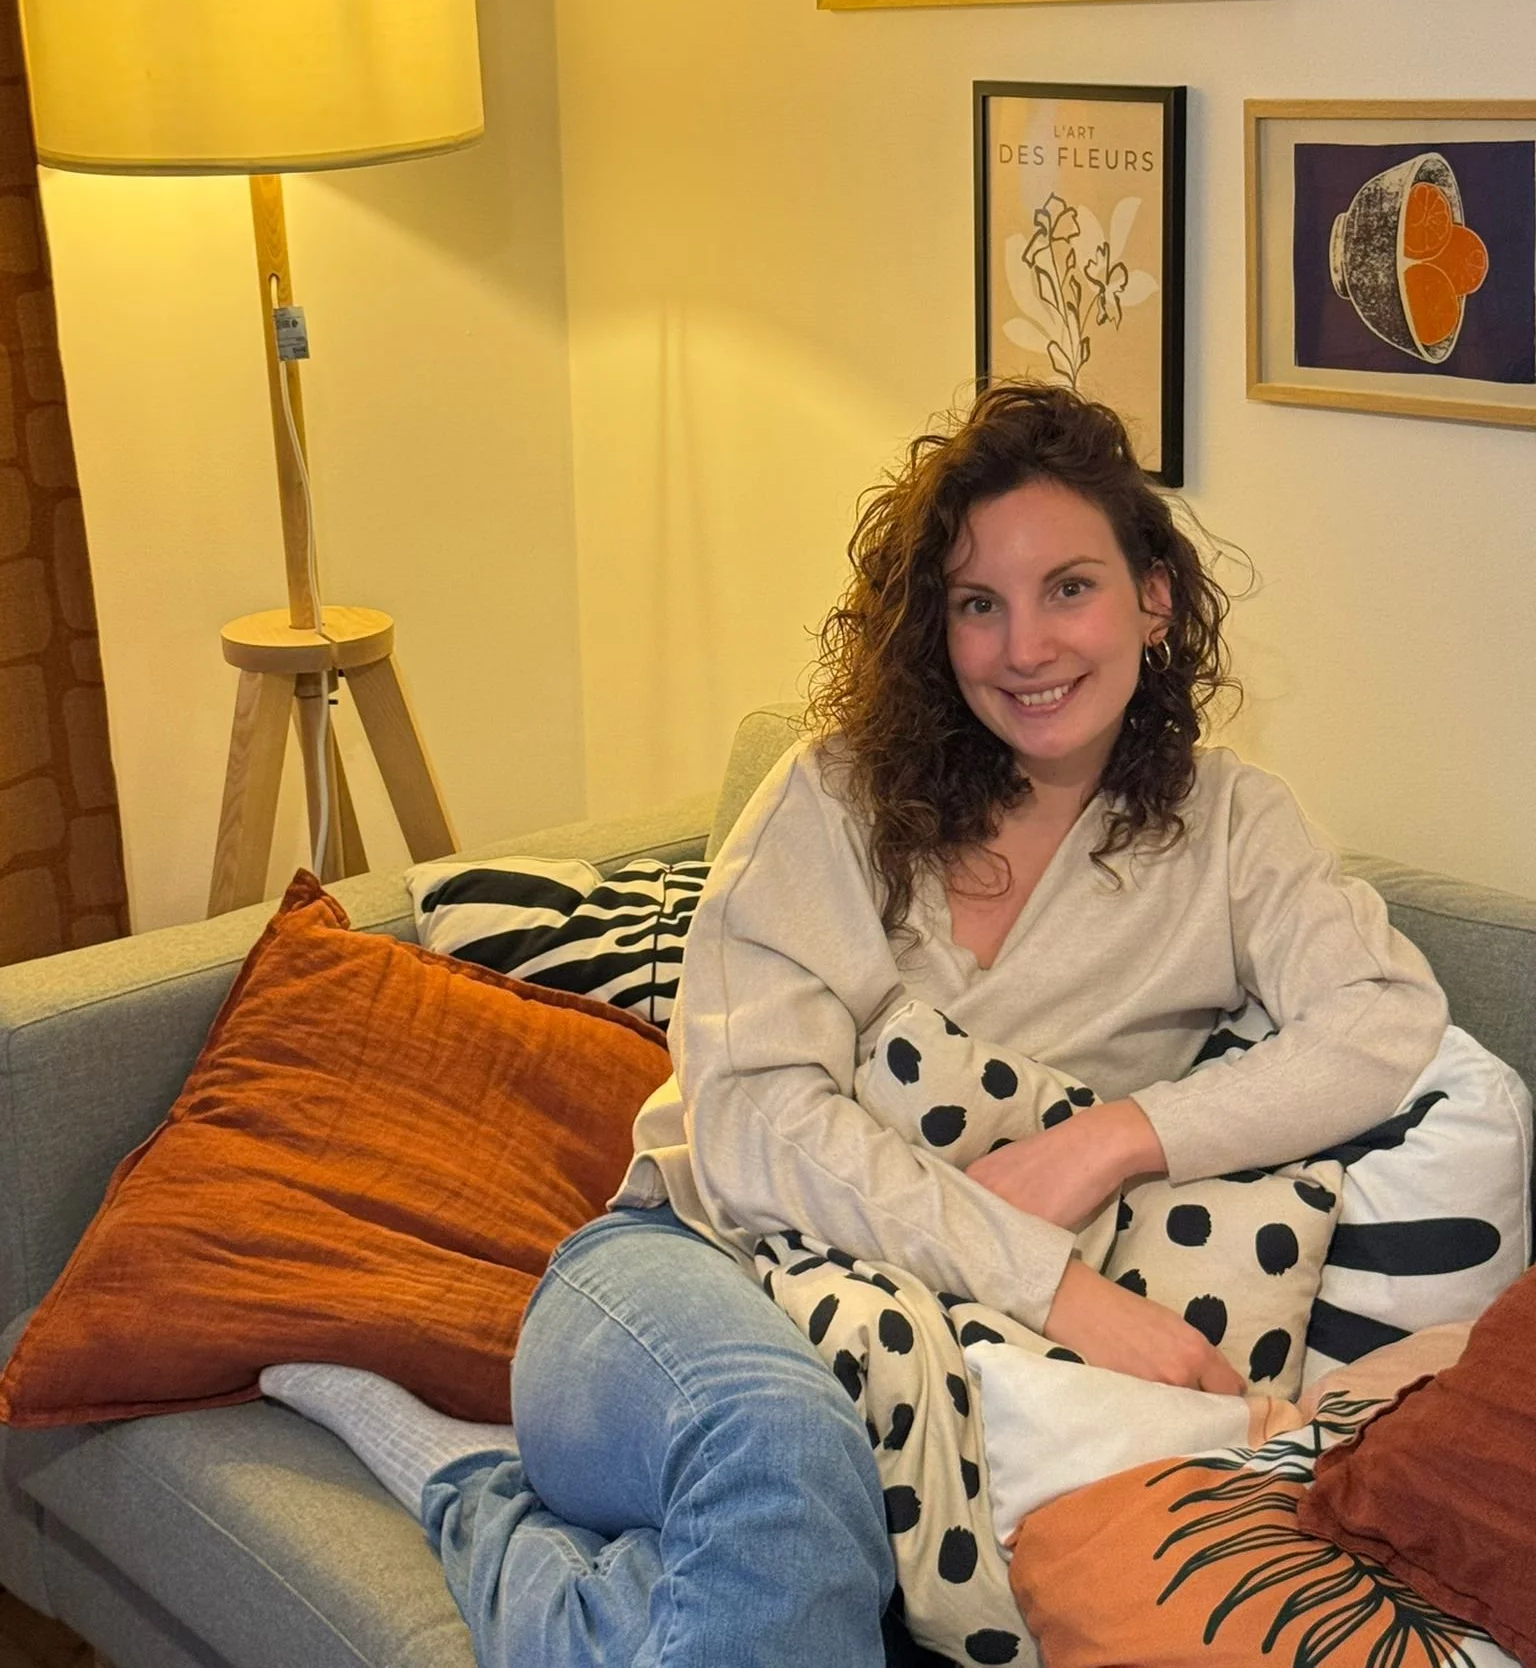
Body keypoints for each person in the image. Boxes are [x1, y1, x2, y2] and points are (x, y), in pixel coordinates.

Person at [264, 382, 1446, 1668]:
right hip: (686, 1269)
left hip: (941, 1343)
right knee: (785, 1456)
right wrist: (1050, 1279)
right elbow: (762, 1125)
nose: (1025, 646)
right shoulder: (830, 799)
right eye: (976, 603)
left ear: (1154, 598)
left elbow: (1384, 1017)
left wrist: (1113, 1138)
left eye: (1070, 587)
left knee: (784, 1581)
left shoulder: (1233, 831)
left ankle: (501, 1515)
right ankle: (479, 1491)